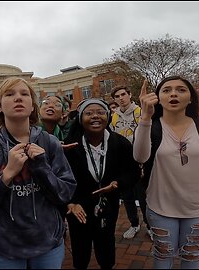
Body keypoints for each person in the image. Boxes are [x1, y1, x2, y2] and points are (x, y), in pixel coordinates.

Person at [0, 77, 76, 269]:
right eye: (9, 94)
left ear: (32, 106)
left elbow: (66, 192)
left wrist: (41, 167)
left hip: (47, 244)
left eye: (24, 94)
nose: (18, 98)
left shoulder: (49, 143)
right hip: (3, 248)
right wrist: (6, 175)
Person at [134, 76, 199, 269]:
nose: (173, 93)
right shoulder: (150, 127)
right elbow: (140, 157)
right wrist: (145, 118)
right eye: (166, 90)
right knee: (163, 255)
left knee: (192, 256)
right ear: (158, 98)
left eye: (181, 90)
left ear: (190, 98)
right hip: (160, 207)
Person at [63, 99, 138, 269]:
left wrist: (118, 183)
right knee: (80, 250)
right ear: (81, 118)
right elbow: (60, 178)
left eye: (100, 112)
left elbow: (132, 171)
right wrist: (71, 202)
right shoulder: (70, 145)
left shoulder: (120, 143)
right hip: (78, 208)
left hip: (107, 206)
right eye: (89, 113)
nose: (95, 116)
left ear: (108, 116)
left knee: (106, 246)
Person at [109, 85, 150, 240]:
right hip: (123, 163)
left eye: (123, 94)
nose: (121, 98)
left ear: (130, 95)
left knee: (143, 196)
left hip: (140, 160)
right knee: (127, 196)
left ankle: (149, 226)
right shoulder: (113, 116)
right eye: (117, 96)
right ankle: (134, 224)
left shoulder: (141, 112)